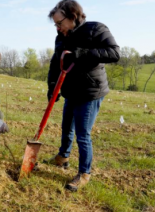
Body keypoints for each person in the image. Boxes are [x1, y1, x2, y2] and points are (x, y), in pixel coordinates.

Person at [43, 0, 120, 192]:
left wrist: (84, 53)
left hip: (90, 91)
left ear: (72, 17)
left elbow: (114, 53)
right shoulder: (61, 37)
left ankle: (84, 173)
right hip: (70, 89)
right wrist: (52, 84)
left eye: (59, 23)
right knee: (66, 126)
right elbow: (56, 60)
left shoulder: (96, 29)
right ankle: (63, 157)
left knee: (82, 134)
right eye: (55, 24)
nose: (58, 27)